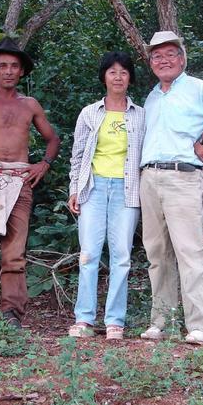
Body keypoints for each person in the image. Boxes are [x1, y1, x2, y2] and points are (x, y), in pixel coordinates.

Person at [139, 31, 203, 345]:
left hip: (182, 176)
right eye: (157, 56)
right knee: (157, 253)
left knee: (191, 252)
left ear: (182, 59)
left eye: (170, 54)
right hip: (150, 178)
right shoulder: (153, 96)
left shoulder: (199, 88)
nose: (164, 60)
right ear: (151, 63)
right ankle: (161, 321)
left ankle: (199, 326)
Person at [0, 38, 60, 329]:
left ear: (22, 72)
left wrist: (44, 163)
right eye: (2, 65)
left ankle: (11, 313)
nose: (8, 71)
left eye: (14, 66)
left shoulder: (29, 105)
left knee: (14, 253)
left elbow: (52, 138)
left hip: (19, 180)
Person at [67, 51, 144, 341]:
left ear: (130, 78)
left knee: (122, 256)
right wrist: (75, 189)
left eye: (123, 72)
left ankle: (115, 321)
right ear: (104, 77)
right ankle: (84, 319)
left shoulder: (139, 114)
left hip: (127, 189)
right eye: (112, 71)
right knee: (88, 254)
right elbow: (77, 156)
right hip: (94, 188)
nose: (118, 76)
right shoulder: (90, 113)